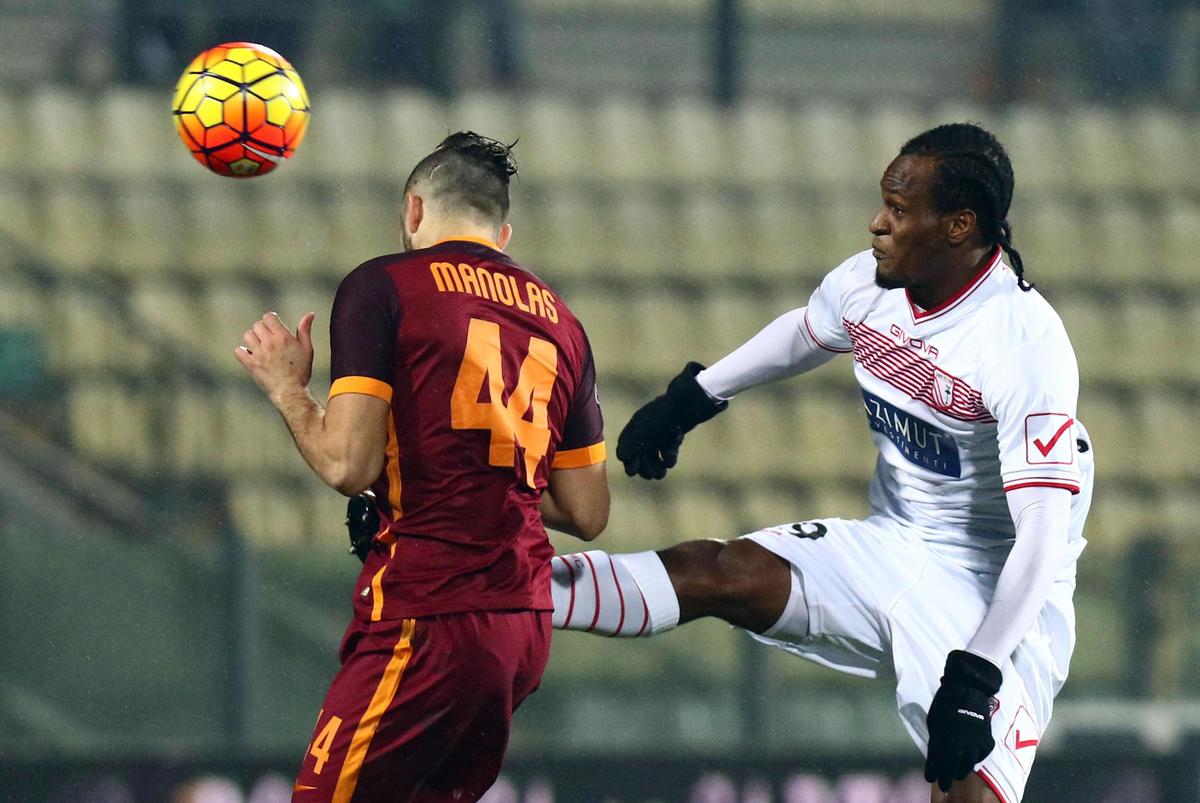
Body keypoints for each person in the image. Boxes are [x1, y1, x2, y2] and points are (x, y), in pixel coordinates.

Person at [550, 123, 1092, 803]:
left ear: (959, 225)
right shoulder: (870, 282)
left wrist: (979, 672)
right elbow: (808, 330)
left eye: (898, 208)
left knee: (967, 787)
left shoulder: (1025, 345)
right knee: (718, 570)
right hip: (893, 540)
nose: (877, 223)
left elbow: (1041, 539)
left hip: (994, 587)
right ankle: (513, 593)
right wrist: (694, 396)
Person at [234, 131, 609, 802]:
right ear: (503, 232)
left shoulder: (384, 286)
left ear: (413, 209)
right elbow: (587, 509)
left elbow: (347, 464)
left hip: (430, 614)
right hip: (522, 626)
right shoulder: (562, 320)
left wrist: (289, 389)